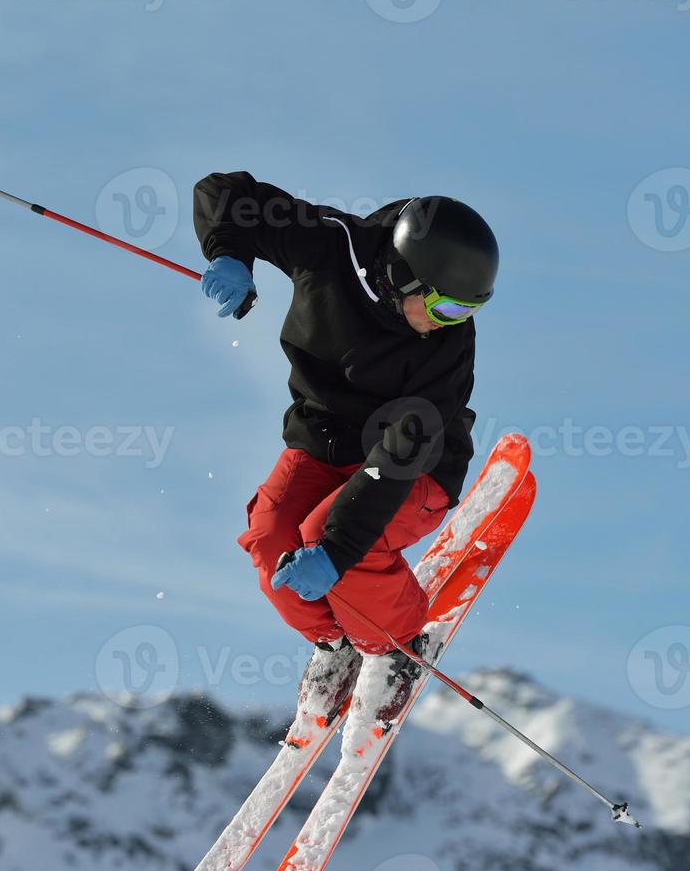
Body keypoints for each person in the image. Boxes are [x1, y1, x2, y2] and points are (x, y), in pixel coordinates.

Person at [193, 172, 499, 722]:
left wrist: (336, 551)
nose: (450, 324)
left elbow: (402, 452)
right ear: (403, 277)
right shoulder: (330, 244)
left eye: (468, 311)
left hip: (415, 467)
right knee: (271, 540)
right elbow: (225, 193)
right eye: (446, 308)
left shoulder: (446, 349)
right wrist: (229, 253)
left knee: (332, 540)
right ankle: (338, 645)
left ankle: (397, 648)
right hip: (323, 441)